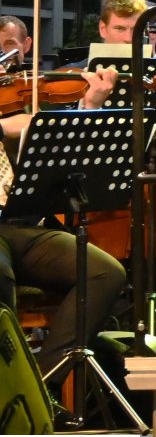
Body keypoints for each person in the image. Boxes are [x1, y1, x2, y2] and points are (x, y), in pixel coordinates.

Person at [0, 63, 127, 371]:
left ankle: (44, 385)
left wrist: (90, 105)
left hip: (20, 225)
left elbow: (65, 152)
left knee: (104, 272)